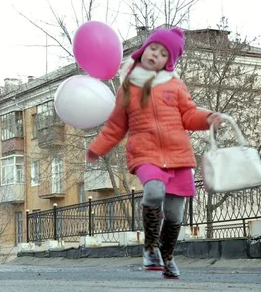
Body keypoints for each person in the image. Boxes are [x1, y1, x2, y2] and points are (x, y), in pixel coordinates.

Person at [85, 27, 224, 279]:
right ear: (144, 49)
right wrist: (97, 148)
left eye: (163, 53)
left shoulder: (175, 85)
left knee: (175, 214)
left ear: (168, 62)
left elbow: (190, 114)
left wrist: (208, 118)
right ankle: (150, 248)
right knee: (154, 191)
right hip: (145, 153)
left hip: (178, 156)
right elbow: (116, 126)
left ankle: (167, 256)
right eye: (153, 48)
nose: (155, 55)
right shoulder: (127, 87)